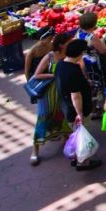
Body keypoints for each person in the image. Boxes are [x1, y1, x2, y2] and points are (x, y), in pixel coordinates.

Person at [28, 30, 70, 166]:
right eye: (69, 42)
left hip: (61, 92)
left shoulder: (69, 55)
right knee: (43, 117)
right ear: (62, 45)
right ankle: (35, 151)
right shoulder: (50, 56)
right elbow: (37, 75)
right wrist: (54, 75)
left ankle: (66, 138)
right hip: (48, 93)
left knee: (62, 115)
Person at [58, 39, 99, 170]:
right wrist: (80, 114)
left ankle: (76, 157)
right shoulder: (72, 72)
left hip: (66, 107)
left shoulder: (61, 64)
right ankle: (83, 162)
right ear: (79, 53)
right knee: (82, 136)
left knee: (76, 134)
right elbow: (75, 95)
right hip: (74, 110)